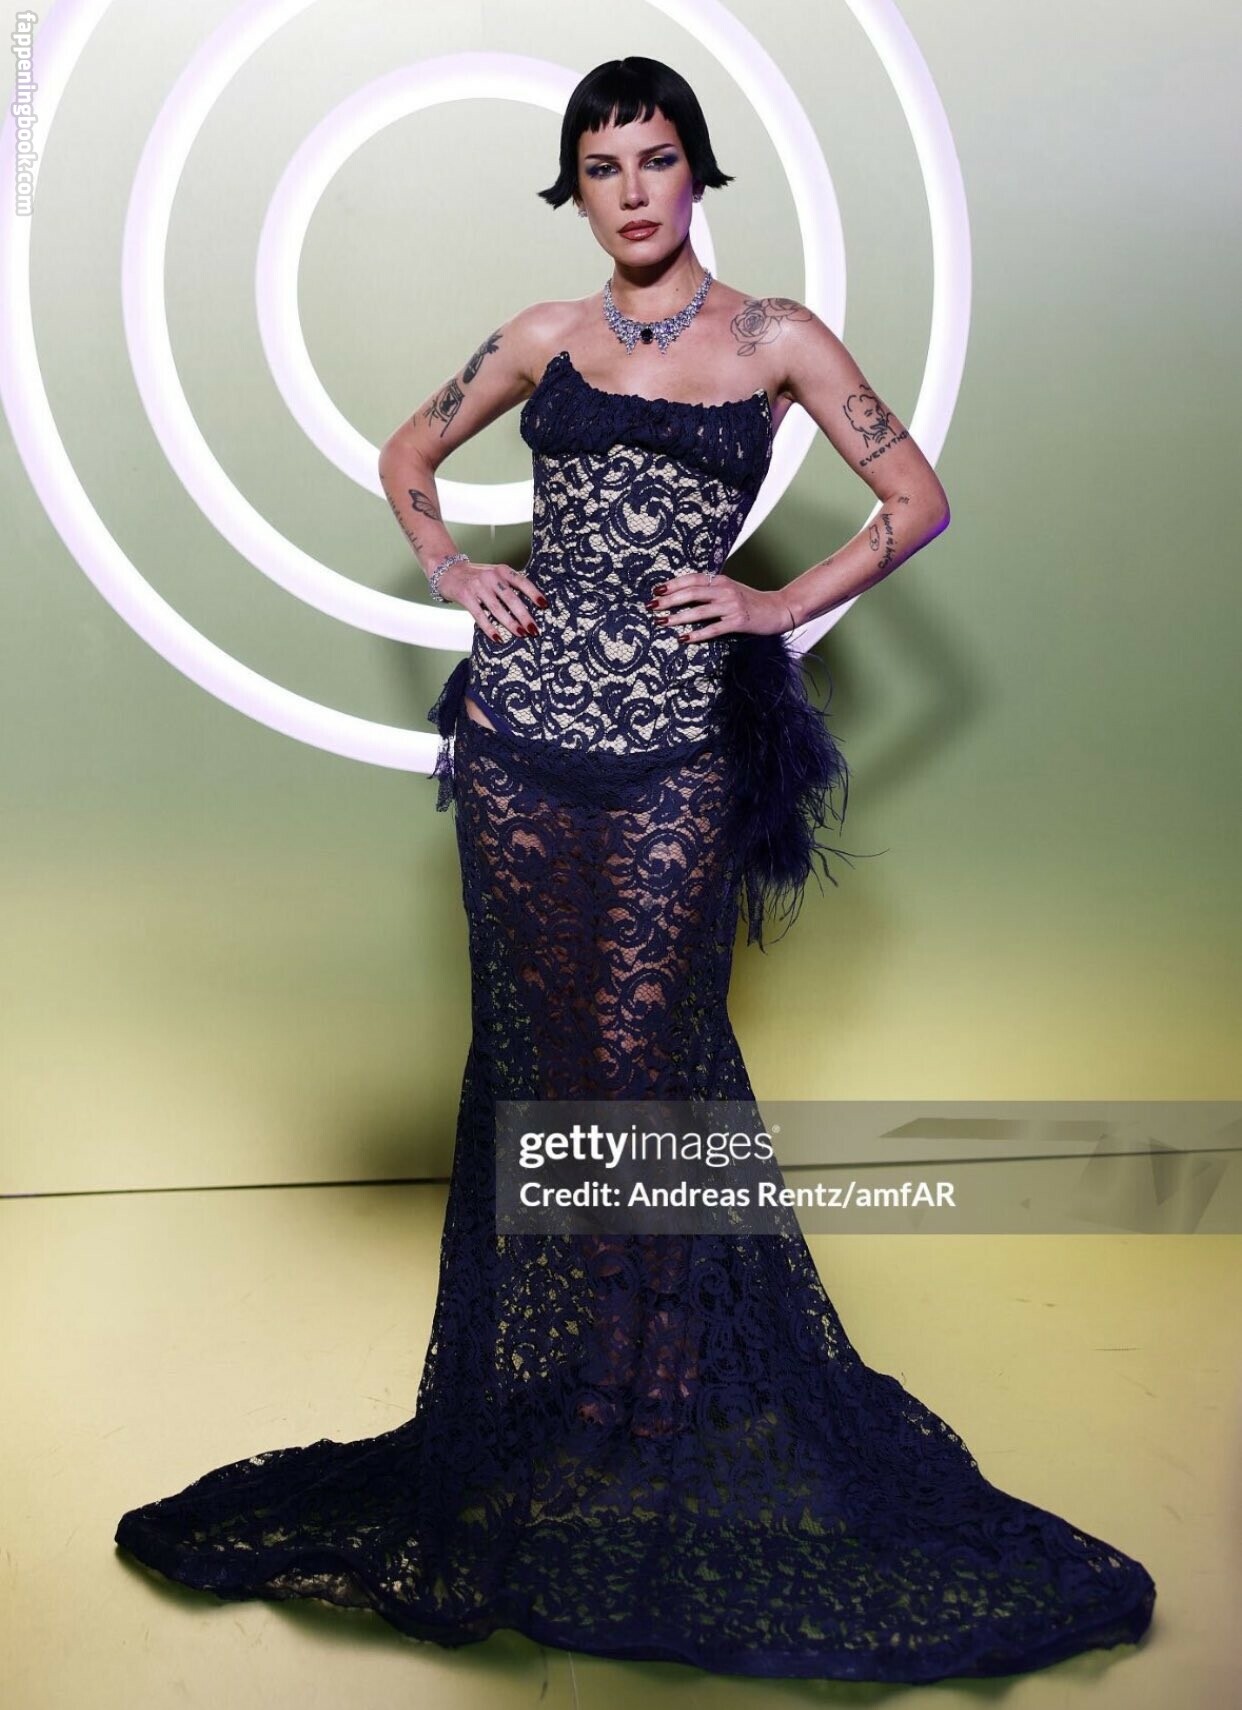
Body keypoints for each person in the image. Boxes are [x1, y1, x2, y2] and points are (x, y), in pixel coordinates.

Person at [114, 56, 1156, 1683]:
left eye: (654, 159)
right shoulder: (543, 334)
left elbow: (916, 496)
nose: (630, 191)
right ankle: (589, 1377)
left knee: (644, 1060)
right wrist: (452, 563)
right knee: (544, 1060)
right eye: (599, 167)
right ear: (577, 188)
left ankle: (661, 1380)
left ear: (695, 171)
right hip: (519, 740)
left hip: (677, 745)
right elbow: (404, 453)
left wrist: (775, 603)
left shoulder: (779, 337)